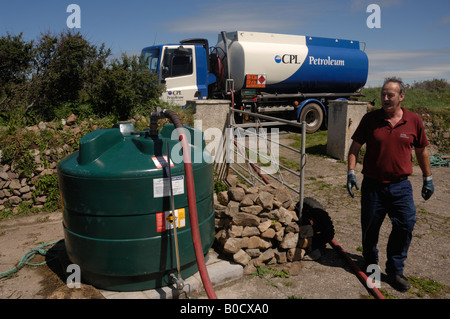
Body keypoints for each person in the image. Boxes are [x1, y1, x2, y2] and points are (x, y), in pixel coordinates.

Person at [346, 77, 434, 292]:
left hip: (400, 187)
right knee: (370, 229)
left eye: (390, 95)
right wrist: (350, 171)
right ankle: (371, 265)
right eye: (383, 94)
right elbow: (355, 147)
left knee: (405, 226)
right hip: (373, 186)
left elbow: (422, 150)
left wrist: (428, 177)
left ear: (401, 97)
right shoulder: (370, 119)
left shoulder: (414, 121)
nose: (385, 98)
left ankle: (395, 270)